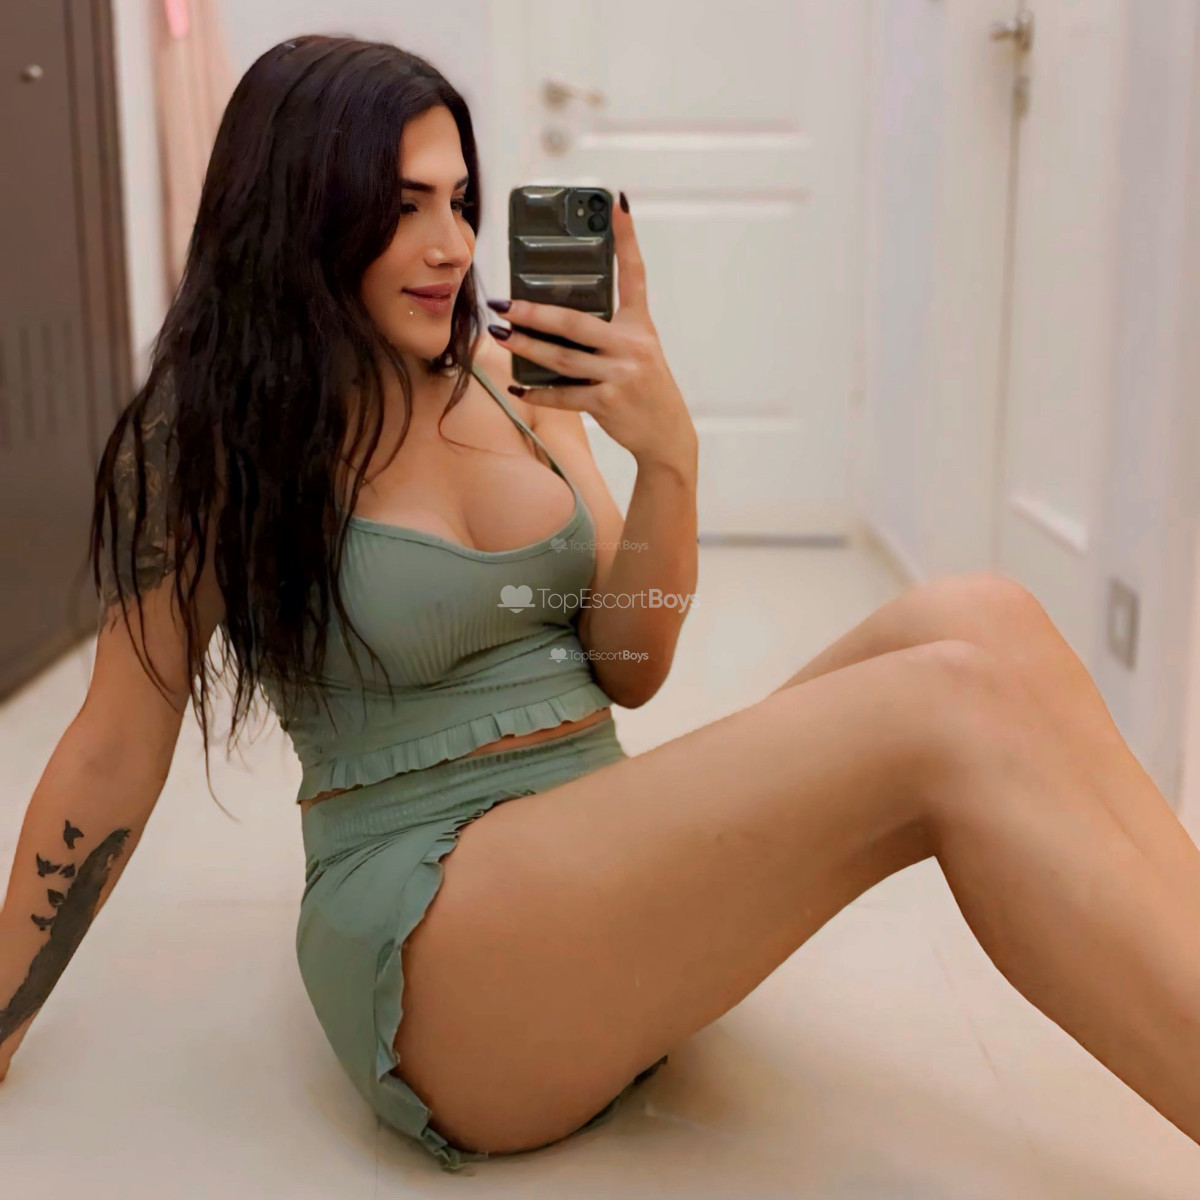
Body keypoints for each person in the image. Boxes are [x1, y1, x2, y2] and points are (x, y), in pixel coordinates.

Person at [2, 33, 1199, 1176]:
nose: (450, 245)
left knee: (985, 618)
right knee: (944, 711)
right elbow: (112, 746)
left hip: (590, 873)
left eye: (459, 201)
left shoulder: (514, 379)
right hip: (438, 934)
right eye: (401, 206)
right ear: (296, 215)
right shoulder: (215, 438)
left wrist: (669, 457)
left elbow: (630, 663)